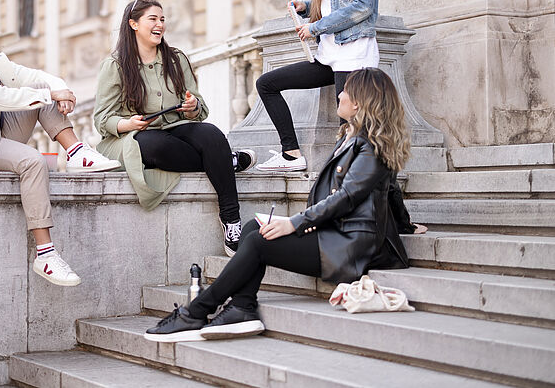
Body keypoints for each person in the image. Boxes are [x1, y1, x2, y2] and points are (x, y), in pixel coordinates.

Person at [144, 67, 411, 342]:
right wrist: (408, 225)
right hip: (337, 234)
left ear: (359, 103)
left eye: (346, 91)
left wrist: (293, 223)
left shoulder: (369, 148)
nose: (339, 94)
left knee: (260, 242)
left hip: (351, 246)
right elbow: (390, 192)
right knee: (252, 227)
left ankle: (196, 312)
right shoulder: (351, 138)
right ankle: (241, 307)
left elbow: (346, 198)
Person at [0, 0, 120, 287]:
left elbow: (20, 77)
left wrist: (58, 88)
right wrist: (48, 95)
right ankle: (45, 254)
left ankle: (78, 152)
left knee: (37, 88)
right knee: (32, 161)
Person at [93, 0, 256, 257]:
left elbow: (199, 106)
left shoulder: (176, 59)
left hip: (175, 125)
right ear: (134, 24)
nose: (160, 24)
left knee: (212, 134)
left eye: (162, 19)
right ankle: (225, 162)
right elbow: (102, 119)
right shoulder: (115, 66)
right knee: (156, 145)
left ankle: (231, 219)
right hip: (135, 135)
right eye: (152, 19)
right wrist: (127, 123)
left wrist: (192, 106)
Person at [255, 0, 380, 172]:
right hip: (330, 56)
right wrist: (308, 7)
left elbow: (361, 6)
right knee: (267, 83)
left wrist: (316, 27)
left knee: (350, 133)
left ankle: (357, 192)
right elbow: (335, 4)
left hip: (353, 56)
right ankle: (291, 154)